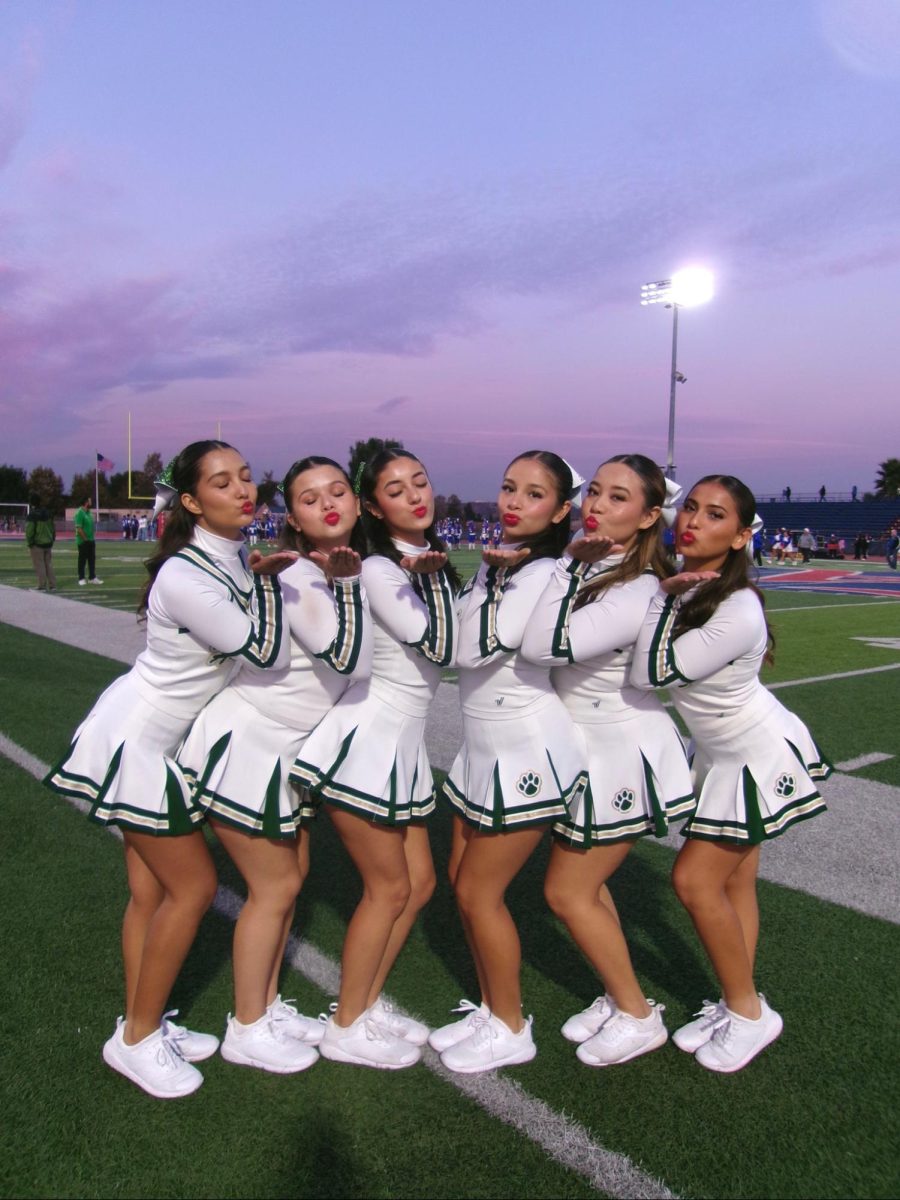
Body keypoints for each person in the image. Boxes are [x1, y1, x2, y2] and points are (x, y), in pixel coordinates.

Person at [45, 441, 290, 1098]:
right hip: (137, 739)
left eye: (245, 476)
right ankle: (136, 1040)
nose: (243, 490)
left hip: (154, 735)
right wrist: (272, 582)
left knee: (151, 894)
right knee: (192, 888)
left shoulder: (230, 556)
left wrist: (263, 574)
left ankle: (143, 1023)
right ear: (190, 501)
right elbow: (260, 650)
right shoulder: (187, 574)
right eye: (221, 482)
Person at [178, 456, 372, 1074]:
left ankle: (263, 1003)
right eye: (311, 500)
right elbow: (350, 663)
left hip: (283, 749)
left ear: (357, 501)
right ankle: (247, 1026)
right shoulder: (300, 577)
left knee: (293, 878)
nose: (329, 505)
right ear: (293, 517)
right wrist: (345, 586)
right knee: (276, 886)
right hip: (250, 743)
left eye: (337, 491)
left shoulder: (342, 567)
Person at [632, 474, 831, 1073]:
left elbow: (651, 675)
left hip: (753, 755)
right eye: (689, 507)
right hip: (722, 752)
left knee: (695, 883)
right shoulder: (700, 583)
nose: (693, 521)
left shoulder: (736, 608)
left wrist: (662, 600)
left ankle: (749, 1013)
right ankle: (736, 999)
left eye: (715, 515)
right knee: (737, 883)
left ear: (742, 535)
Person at [520, 455, 695, 1067]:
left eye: (618, 498)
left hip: (619, 751)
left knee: (567, 892)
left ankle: (637, 1015)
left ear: (649, 516)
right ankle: (617, 989)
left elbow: (542, 645)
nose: (597, 505)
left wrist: (567, 568)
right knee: (587, 888)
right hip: (586, 747)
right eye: (594, 491)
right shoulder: (606, 566)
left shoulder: (639, 585)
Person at [292, 448, 458, 1069]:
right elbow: (441, 644)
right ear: (372, 505)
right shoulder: (382, 570)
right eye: (395, 488)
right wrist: (437, 579)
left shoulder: (413, 562)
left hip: (399, 743)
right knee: (388, 890)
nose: (415, 494)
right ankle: (344, 1025)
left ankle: (361, 1003)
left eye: (421, 480)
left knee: (418, 886)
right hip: (368, 742)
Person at [435, 451, 584, 1073]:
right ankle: (493, 1008)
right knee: (461, 885)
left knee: (478, 891)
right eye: (508, 488)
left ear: (560, 508)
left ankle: (512, 1025)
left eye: (534, 493)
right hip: (483, 746)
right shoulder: (505, 561)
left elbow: (467, 653)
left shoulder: (544, 570)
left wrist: (490, 584)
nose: (515, 502)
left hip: (524, 746)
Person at [25, 493, 57, 592]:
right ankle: (53, 585)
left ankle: (42, 585)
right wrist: (52, 539)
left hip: (37, 544)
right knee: (49, 564)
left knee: (40, 565)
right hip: (48, 543)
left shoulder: (33, 515)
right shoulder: (48, 513)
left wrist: (30, 542)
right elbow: (53, 528)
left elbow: (29, 531)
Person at [74, 498, 103, 585]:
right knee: (82, 560)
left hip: (91, 539)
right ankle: (81, 578)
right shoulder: (79, 512)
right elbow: (79, 528)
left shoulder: (89, 512)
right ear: (86, 502)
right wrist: (85, 539)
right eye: (90, 501)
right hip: (83, 540)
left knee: (92, 560)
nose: (91, 502)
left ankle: (92, 577)